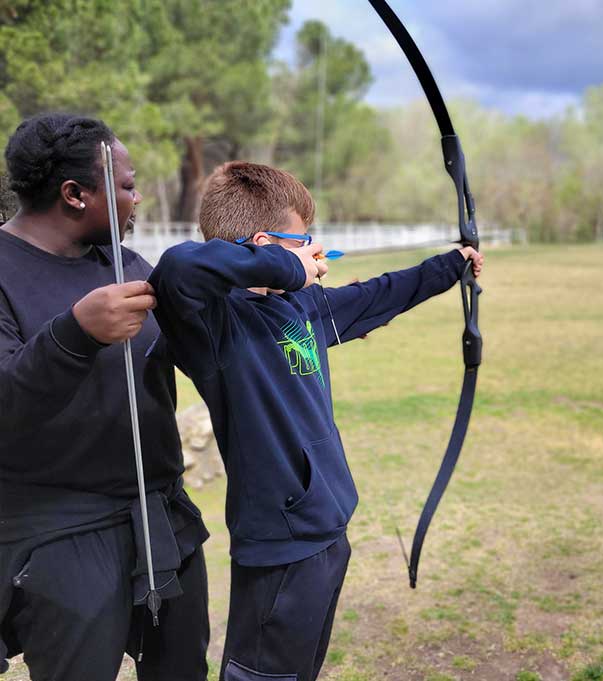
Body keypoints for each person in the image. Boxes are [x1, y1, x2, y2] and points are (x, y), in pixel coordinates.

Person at [148, 161, 483, 681]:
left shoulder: (299, 307)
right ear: (264, 244)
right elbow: (176, 268)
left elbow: (377, 295)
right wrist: (285, 266)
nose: (316, 253)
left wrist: (450, 266)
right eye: (304, 241)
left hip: (327, 527)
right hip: (279, 541)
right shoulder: (214, 324)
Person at [0, 113, 210, 680]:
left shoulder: (126, 265)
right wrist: (74, 334)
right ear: (74, 194)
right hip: (59, 536)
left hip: (163, 519)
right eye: (126, 185)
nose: (137, 198)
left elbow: (201, 353)